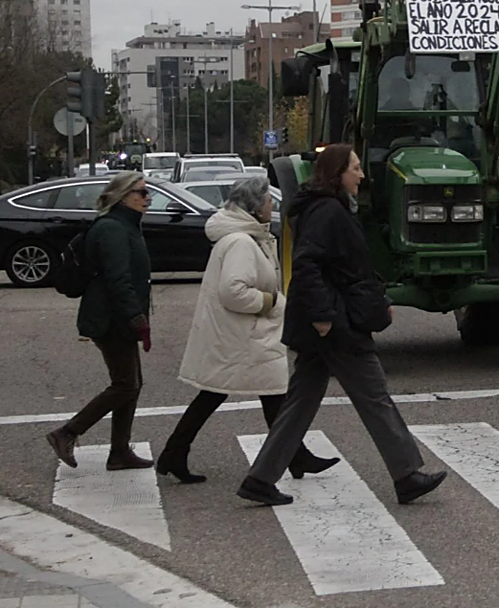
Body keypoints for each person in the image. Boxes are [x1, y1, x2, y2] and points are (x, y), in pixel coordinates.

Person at [237, 144, 445, 506]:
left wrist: (376, 302)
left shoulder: (327, 208)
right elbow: (306, 265)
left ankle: (260, 478)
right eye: (356, 168)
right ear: (337, 173)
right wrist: (323, 316)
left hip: (328, 321)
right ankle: (407, 474)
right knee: (374, 395)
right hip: (334, 324)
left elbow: (346, 267)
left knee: (300, 403)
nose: (362, 175)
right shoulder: (328, 211)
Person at [157, 177, 339, 484]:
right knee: (266, 392)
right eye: (269, 200)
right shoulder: (241, 242)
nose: (272, 205)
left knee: (233, 394)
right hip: (243, 335)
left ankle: (176, 453)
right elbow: (233, 291)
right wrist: (270, 302)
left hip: (239, 334)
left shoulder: (245, 236)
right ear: (254, 207)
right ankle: (294, 456)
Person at [46, 172, 155, 471]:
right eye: (141, 193)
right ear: (123, 196)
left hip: (117, 316)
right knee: (125, 384)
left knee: (131, 383)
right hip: (110, 318)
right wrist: (136, 318)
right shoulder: (112, 229)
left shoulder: (125, 225)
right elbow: (117, 279)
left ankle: (119, 452)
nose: (147, 198)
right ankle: (66, 433)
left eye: (147, 193)